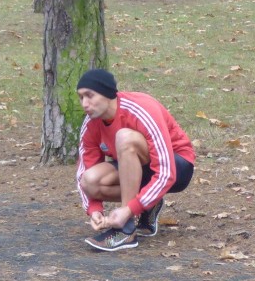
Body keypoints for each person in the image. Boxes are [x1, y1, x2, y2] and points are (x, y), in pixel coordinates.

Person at [76, 69, 196, 251]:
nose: (85, 103)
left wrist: (128, 210)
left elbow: (166, 172)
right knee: (90, 181)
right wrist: (94, 209)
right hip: (138, 169)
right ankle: (150, 201)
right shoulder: (90, 123)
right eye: (81, 97)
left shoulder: (140, 109)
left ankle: (126, 230)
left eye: (90, 96)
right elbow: (84, 171)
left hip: (176, 166)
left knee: (124, 138)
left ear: (108, 93)